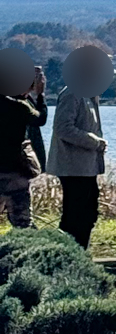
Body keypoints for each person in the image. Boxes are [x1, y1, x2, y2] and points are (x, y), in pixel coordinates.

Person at [47, 45, 113, 248]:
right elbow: (63, 128)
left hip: (86, 167)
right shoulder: (72, 93)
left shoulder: (89, 94)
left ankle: (80, 254)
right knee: (75, 217)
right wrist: (95, 142)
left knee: (89, 213)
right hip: (73, 167)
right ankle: (70, 257)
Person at [0, 53, 48, 230]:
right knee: (23, 223)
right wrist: (40, 95)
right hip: (14, 172)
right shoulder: (18, 107)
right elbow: (40, 119)